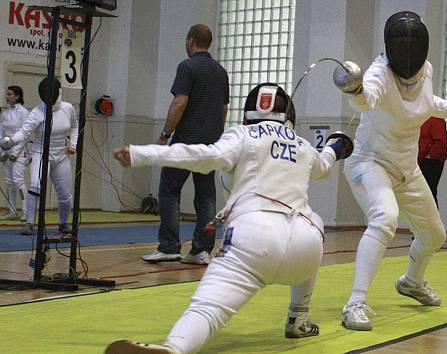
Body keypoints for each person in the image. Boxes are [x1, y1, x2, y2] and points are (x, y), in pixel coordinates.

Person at [105, 83, 354, 354]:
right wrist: (336, 145)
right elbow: (325, 165)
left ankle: (175, 348)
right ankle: (298, 319)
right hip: (305, 250)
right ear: (289, 118)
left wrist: (143, 154)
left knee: (207, 309)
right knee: (313, 221)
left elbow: (207, 156)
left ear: (247, 114)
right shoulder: (303, 145)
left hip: (254, 240)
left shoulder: (242, 134)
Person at [333, 11, 447, 331]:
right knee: (385, 218)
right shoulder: (378, 74)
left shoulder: (425, 69)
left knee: (434, 235)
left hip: (407, 169)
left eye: (414, 44)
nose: (409, 50)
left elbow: (424, 102)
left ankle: (411, 282)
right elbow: (367, 100)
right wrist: (354, 90)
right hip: (370, 163)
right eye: (402, 43)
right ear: (390, 46)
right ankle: (355, 302)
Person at [142, 24, 230, 265]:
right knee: (206, 195)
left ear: (191, 41)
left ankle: (169, 246)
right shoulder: (221, 72)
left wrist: (164, 134)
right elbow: (223, 109)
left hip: (186, 139)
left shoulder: (187, 67)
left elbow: (180, 102)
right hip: (211, 142)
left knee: (170, 189)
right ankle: (201, 250)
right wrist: (216, 135)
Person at [1, 78, 77, 236]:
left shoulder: (68, 108)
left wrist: (73, 145)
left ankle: (63, 224)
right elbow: (25, 131)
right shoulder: (38, 111)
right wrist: (12, 140)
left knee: (65, 194)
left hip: (61, 155)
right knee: (35, 186)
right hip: (41, 153)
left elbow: (75, 126)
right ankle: (29, 222)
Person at [0, 86, 29, 221]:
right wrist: (2, 151)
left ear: (17, 96)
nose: (7, 96)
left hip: (19, 151)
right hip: (6, 151)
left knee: (18, 180)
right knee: (9, 182)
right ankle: (12, 211)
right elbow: (1, 133)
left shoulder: (23, 112)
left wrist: (16, 153)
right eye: (7, 94)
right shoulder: (5, 113)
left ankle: (25, 211)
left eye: (9, 94)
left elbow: (25, 134)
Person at [418, 116, 447, 208]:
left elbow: (441, 141)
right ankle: (428, 221)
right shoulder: (423, 116)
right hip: (423, 158)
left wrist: (430, 156)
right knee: (425, 195)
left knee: (428, 194)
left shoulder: (434, 117)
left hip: (430, 161)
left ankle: (431, 221)